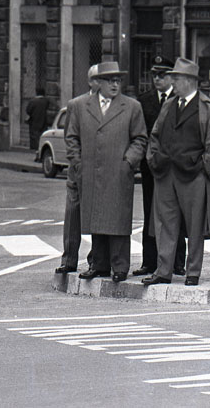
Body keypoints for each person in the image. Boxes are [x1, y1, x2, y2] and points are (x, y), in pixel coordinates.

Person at [143, 57, 210, 287]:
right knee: (165, 224)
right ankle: (163, 271)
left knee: (195, 226)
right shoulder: (168, 106)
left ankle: (193, 272)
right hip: (166, 174)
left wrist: (202, 167)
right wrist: (154, 159)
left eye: (176, 78)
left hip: (194, 176)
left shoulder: (209, 109)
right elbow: (155, 136)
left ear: (189, 81)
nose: (172, 83)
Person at [66, 61, 147, 283]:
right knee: (96, 218)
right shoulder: (81, 106)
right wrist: (78, 163)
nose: (114, 85)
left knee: (118, 220)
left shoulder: (132, 107)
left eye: (118, 80)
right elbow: (71, 137)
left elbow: (140, 138)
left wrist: (128, 162)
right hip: (90, 172)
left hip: (118, 172)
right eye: (110, 80)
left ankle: (120, 266)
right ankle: (99, 265)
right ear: (98, 83)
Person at [133, 56, 187, 277]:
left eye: (162, 75)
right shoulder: (144, 100)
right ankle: (149, 261)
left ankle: (177, 261)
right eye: (154, 75)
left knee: (176, 212)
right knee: (150, 212)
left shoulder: (180, 99)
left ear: (172, 78)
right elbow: (140, 132)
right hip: (151, 166)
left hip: (173, 166)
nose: (157, 79)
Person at [55, 65, 99, 274]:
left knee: (98, 214)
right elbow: (70, 136)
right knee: (73, 212)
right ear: (90, 81)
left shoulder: (110, 105)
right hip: (79, 168)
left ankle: (95, 259)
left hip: (100, 169)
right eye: (98, 79)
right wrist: (77, 162)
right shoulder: (76, 104)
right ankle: (69, 258)